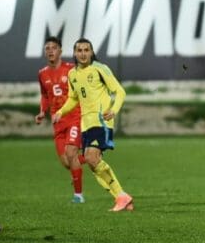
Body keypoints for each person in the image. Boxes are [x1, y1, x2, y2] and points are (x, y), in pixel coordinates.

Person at [52, 38, 134, 212]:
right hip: (86, 124)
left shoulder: (99, 68)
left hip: (101, 120)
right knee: (93, 163)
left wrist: (114, 110)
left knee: (90, 158)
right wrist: (61, 111)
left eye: (86, 50)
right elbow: (73, 98)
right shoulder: (72, 74)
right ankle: (122, 198)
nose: (83, 54)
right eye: (79, 50)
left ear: (91, 52)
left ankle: (121, 196)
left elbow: (120, 91)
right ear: (74, 53)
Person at [35, 36, 86, 203]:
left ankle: (78, 196)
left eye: (54, 47)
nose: (50, 50)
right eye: (47, 48)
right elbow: (45, 95)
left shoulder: (71, 69)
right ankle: (92, 156)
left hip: (74, 117)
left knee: (71, 154)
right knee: (66, 162)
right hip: (57, 122)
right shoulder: (42, 73)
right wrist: (42, 112)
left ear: (60, 51)